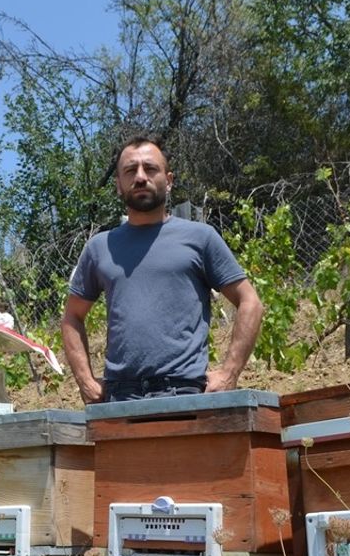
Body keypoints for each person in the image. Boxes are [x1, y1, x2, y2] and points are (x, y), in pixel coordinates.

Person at [61, 134, 264, 403]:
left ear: (168, 181)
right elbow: (71, 317)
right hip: (120, 396)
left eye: (150, 168)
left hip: (185, 391)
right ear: (118, 185)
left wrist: (229, 373)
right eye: (130, 170)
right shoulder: (100, 247)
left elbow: (250, 302)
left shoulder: (201, 238)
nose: (141, 177)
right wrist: (86, 382)